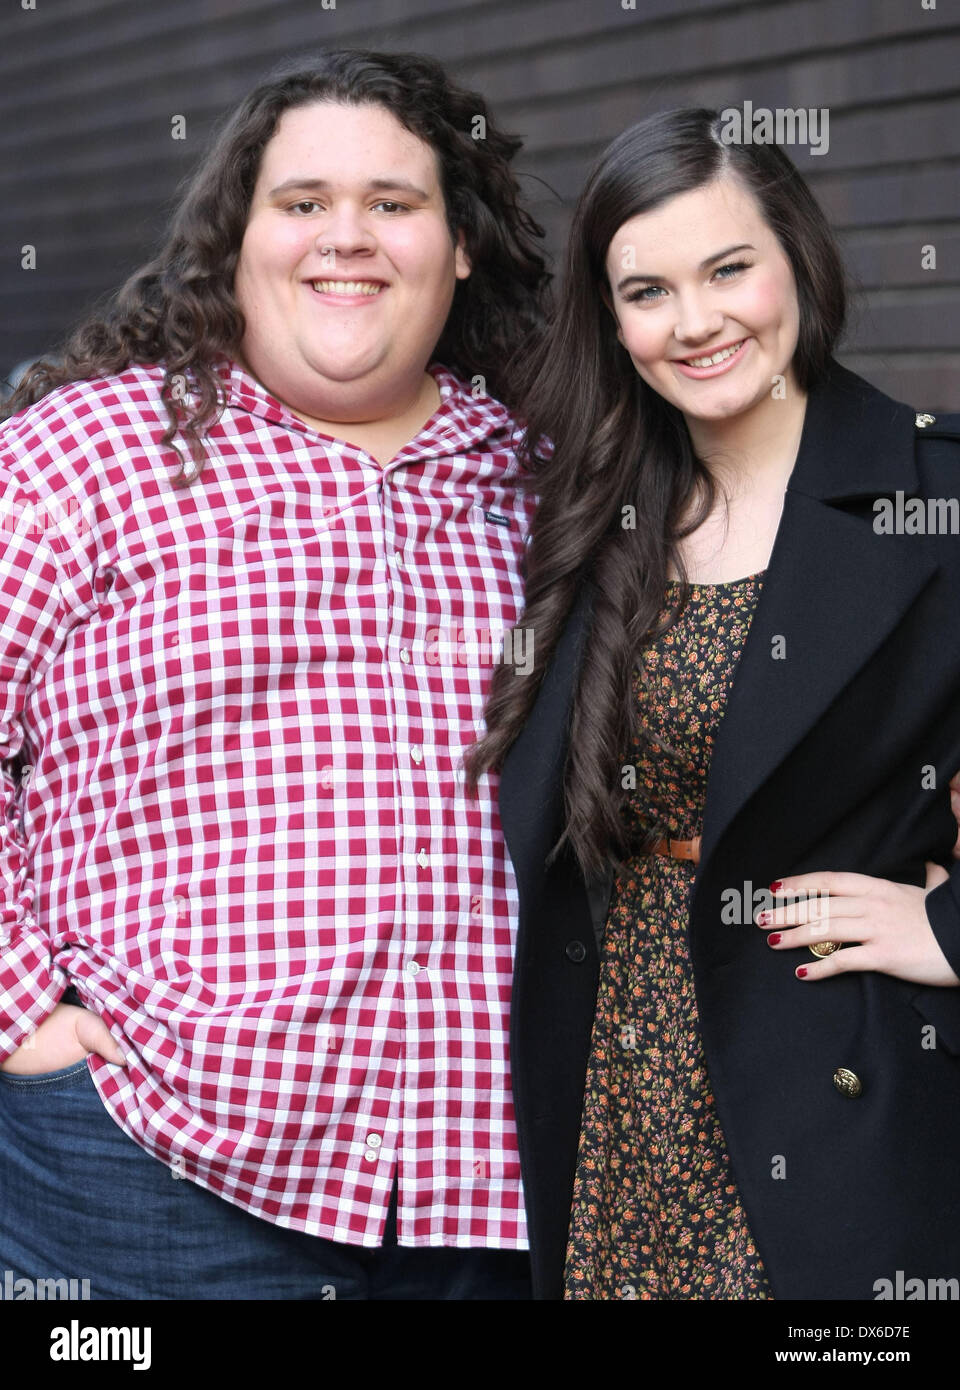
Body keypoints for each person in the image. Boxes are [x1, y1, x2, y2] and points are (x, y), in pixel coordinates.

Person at [0, 49, 550, 1299]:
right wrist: (20, 1011)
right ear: (236, 239)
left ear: (459, 245)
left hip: (490, 1184)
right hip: (147, 1171)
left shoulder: (547, 477)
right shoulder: (88, 454)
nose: (344, 239)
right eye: (302, 203)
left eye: (393, 204)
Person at [466, 107, 960, 1300]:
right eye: (647, 290)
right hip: (612, 1083)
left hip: (830, 1067)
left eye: (729, 268)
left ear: (797, 254)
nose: (695, 322)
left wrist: (949, 931)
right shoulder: (588, 513)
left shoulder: (933, 493)